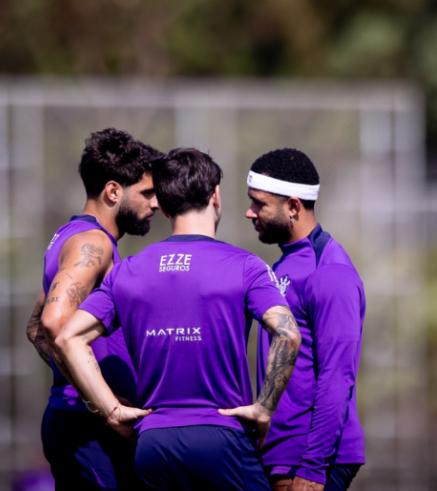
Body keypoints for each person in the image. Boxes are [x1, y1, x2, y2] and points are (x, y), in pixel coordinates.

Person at [55, 148, 302, 491]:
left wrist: (111, 411)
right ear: (215, 195)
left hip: (152, 445)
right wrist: (263, 409)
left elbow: (68, 337)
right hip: (223, 441)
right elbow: (288, 335)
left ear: (163, 206)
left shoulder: (127, 271)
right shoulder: (246, 266)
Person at [25, 128, 162, 491]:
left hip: (80, 423)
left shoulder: (74, 236)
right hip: (89, 431)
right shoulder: (93, 243)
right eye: (147, 193)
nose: (156, 204)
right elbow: (53, 324)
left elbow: (35, 327)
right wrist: (103, 405)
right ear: (113, 191)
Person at [245, 148, 366, 491]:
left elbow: (338, 374)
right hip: (280, 451)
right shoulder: (284, 263)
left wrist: (313, 469)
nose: (249, 212)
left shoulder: (330, 271)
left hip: (307, 458)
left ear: (293, 207)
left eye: (259, 204)